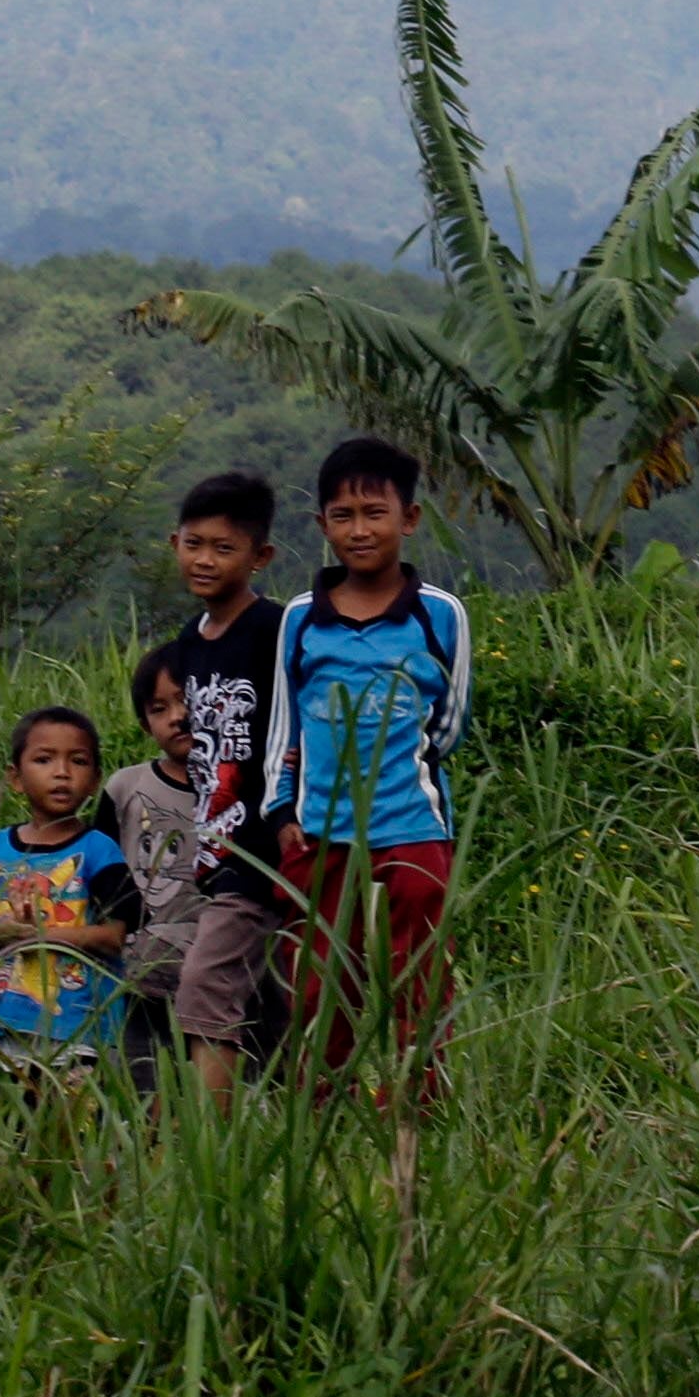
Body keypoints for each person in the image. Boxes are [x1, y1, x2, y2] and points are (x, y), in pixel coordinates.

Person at [257, 436, 475, 1117]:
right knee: (319, 981)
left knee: (420, 977)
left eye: (374, 512)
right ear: (322, 525)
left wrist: (403, 771)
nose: (359, 529)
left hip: (412, 828)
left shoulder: (440, 614)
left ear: (408, 520)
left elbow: (449, 724)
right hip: (320, 832)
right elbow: (283, 727)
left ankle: (414, 1106)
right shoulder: (298, 618)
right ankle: (320, 1107)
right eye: (343, 515)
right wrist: (282, 814)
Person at [157, 470, 294, 1103]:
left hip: (266, 851)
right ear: (174, 542)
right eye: (194, 543)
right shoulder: (189, 642)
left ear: (260, 557)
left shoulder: (275, 631)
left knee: (206, 988)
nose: (204, 560)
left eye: (224, 548)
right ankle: (295, 1119)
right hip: (216, 850)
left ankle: (198, 1148)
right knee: (269, 1001)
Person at [0, 706, 142, 1076]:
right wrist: (6, 932)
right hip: (0, 1026)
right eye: (44, 760)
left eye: (78, 761)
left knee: (71, 1127)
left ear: (95, 780)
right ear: (15, 777)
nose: (62, 773)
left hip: (80, 1030)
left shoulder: (98, 849)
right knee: (8, 1129)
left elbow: (114, 936)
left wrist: (45, 935)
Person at [101, 648, 209, 1095]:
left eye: (187, 701)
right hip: (138, 972)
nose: (177, 718)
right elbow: (101, 870)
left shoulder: (239, 785)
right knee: (143, 1079)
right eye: (159, 709)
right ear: (145, 724)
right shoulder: (126, 788)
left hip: (218, 970)